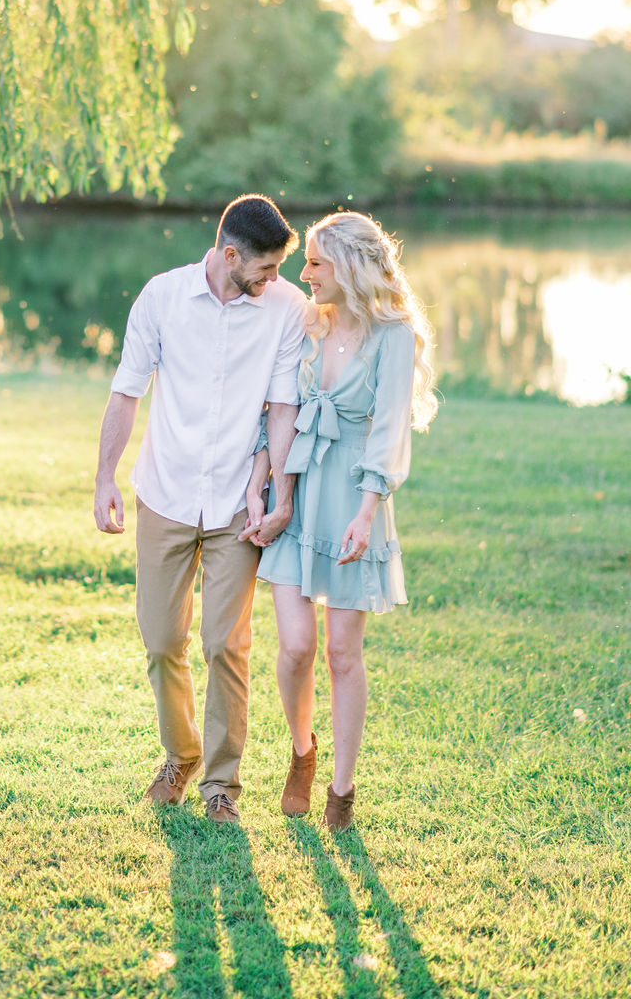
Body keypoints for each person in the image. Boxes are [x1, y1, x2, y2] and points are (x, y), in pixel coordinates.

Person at [94, 195, 307, 825]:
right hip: (165, 491)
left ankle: (222, 783)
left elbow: (282, 408)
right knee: (162, 639)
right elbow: (127, 388)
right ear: (230, 254)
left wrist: (281, 495)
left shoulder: (286, 310)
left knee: (225, 643)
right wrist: (105, 475)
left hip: (238, 503)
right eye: (265, 269)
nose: (275, 281)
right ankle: (181, 752)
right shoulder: (161, 297)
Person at [242, 211, 437, 832]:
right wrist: (270, 486)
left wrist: (368, 509)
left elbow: (389, 427)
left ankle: (342, 789)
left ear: (349, 267)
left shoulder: (394, 332)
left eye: (316, 263)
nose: (305, 275)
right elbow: (280, 407)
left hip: (355, 498)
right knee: (296, 647)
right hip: (299, 492)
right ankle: (302, 750)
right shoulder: (309, 322)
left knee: (342, 652)